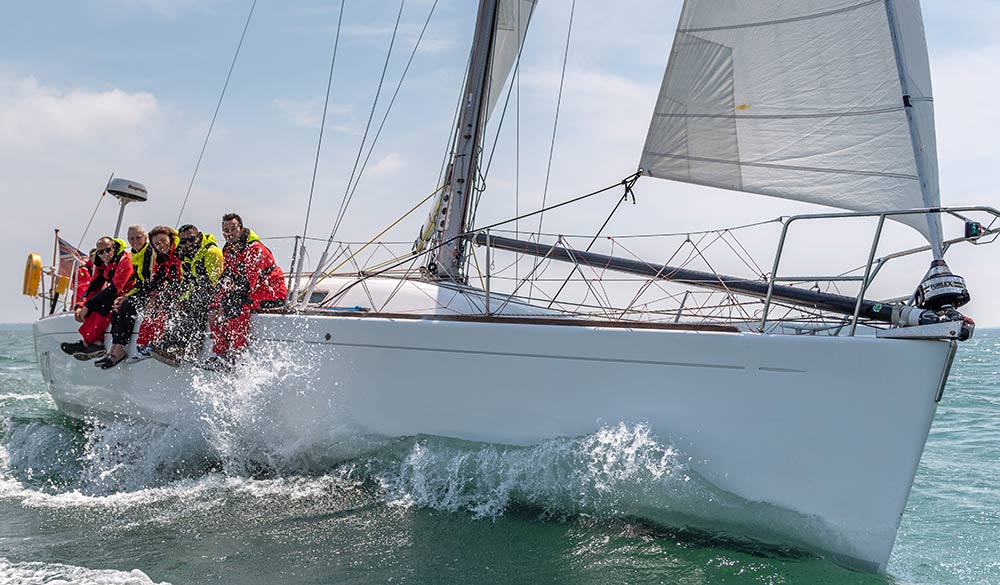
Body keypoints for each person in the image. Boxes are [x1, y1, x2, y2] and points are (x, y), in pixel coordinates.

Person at [206, 213, 286, 368]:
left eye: (232, 229)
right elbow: (226, 276)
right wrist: (216, 302)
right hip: (251, 291)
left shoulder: (255, 249)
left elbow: (247, 284)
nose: (229, 233)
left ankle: (238, 354)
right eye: (225, 230)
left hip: (271, 293)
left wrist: (226, 302)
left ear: (241, 229)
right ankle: (221, 354)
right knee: (214, 309)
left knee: (237, 305)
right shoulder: (229, 249)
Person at [153, 224, 223, 364]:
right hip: (198, 291)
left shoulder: (211, 252)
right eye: (183, 241)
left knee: (195, 303)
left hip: (215, 293)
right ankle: (169, 344)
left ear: (198, 236)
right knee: (178, 304)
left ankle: (189, 348)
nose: (188, 244)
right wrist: (182, 299)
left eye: (191, 239)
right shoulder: (185, 256)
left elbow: (217, 282)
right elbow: (187, 282)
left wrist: (216, 305)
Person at [60, 237, 134, 361]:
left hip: (129, 294)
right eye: (100, 252)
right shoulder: (101, 263)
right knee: (94, 305)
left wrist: (89, 304)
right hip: (117, 295)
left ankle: (87, 343)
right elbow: (93, 286)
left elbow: (114, 289)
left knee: (103, 304)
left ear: (114, 248)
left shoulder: (125, 260)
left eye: (107, 250)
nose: (104, 254)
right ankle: (95, 343)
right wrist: (81, 305)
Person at [101, 225, 153, 366]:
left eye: (138, 238)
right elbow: (138, 282)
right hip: (142, 291)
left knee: (127, 305)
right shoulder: (136, 254)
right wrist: (125, 296)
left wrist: (128, 298)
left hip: (151, 292)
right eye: (131, 239)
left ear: (146, 238)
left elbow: (149, 281)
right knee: (116, 307)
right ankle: (114, 346)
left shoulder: (150, 253)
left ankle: (120, 349)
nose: (134, 241)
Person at [131, 226, 184, 355]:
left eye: (163, 241)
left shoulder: (181, 252)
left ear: (171, 238)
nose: (161, 245)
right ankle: (143, 344)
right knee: (151, 308)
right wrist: (153, 297)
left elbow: (184, 278)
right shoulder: (161, 258)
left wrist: (176, 296)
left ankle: (157, 342)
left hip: (183, 292)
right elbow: (157, 280)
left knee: (163, 309)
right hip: (171, 291)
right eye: (157, 244)